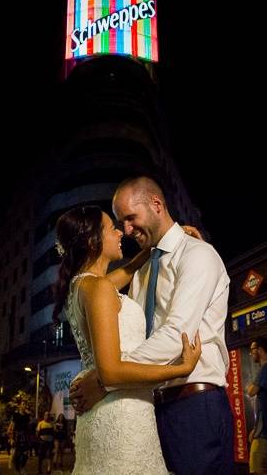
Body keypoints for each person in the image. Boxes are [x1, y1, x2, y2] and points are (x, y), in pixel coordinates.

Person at [69, 176, 232, 475]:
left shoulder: (198, 254)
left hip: (192, 405)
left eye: (130, 218)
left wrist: (106, 380)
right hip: (146, 409)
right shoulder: (141, 272)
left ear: (157, 204)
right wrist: (112, 377)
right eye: (119, 222)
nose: (127, 230)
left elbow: (175, 338)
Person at [53, 203, 203, 475]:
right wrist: (181, 368)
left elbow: (127, 270)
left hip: (106, 413)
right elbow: (110, 373)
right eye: (112, 228)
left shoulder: (84, 285)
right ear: (92, 240)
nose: (121, 232)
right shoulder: (97, 288)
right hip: (121, 418)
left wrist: (164, 241)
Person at [246, 339, 267, 474]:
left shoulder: (266, 368)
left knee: (256, 468)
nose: (251, 354)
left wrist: (257, 430)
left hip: (265, 432)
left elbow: (251, 391)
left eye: (252, 350)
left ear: (259, 350)